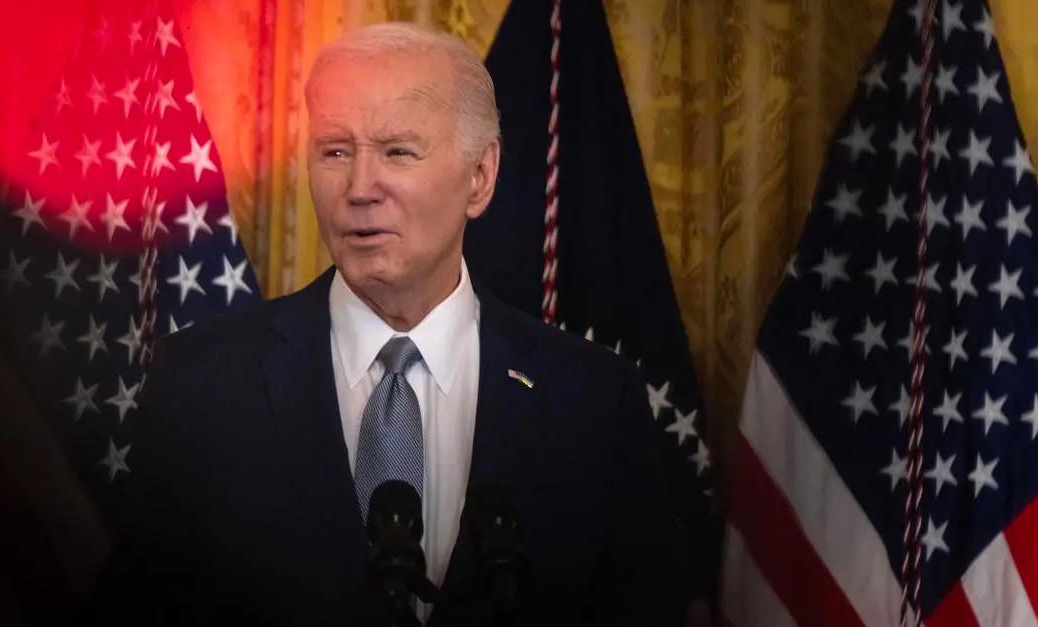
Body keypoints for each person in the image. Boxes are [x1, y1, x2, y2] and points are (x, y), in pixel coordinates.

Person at [95, 22, 690, 626]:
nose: (359, 188)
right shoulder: (200, 385)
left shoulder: (594, 400)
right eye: (335, 151)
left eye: (398, 151)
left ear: (480, 177)